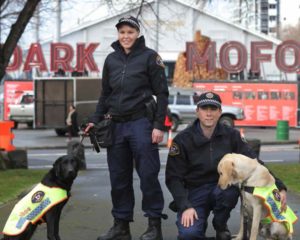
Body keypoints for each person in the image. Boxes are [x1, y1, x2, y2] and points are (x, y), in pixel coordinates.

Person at [84, 15, 169, 240]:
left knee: (148, 176)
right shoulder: (111, 60)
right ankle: (121, 226)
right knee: (118, 178)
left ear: (137, 34)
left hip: (141, 123)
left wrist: (159, 125)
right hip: (116, 126)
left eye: (130, 32)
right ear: (118, 34)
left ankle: (154, 226)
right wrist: (95, 118)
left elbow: (162, 93)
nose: (125, 36)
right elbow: (105, 94)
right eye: (122, 32)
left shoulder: (151, 57)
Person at [165, 91, 287, 240]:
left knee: (229, 193)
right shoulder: (182, 140)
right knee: (189, 235)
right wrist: (185, 206)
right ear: (197, 111)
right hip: (194, 193)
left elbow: (255, 163)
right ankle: (199, 225)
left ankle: (221, 226)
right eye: (204, 109)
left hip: (222, 188)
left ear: (220, 112)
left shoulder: (232, 135)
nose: (209, 114)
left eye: (213, 109)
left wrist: (279, 187)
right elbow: (173, 178)